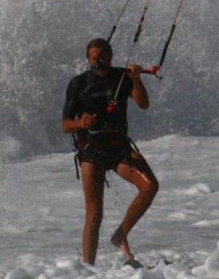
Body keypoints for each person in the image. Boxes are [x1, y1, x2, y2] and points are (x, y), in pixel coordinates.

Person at [62, 38, 158, 266]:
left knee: (149, 186)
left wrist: (136, 79)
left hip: (118, 147)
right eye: (94, 59)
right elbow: (65, 125)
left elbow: (144, 104)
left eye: (103, 58)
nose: (99, 62)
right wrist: (81, 123)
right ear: (88, 59)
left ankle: (120, 235)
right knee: (94, 214)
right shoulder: (79, 83)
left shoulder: (123, 77)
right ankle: (88, 268)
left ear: (111, 57)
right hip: (91, 151)